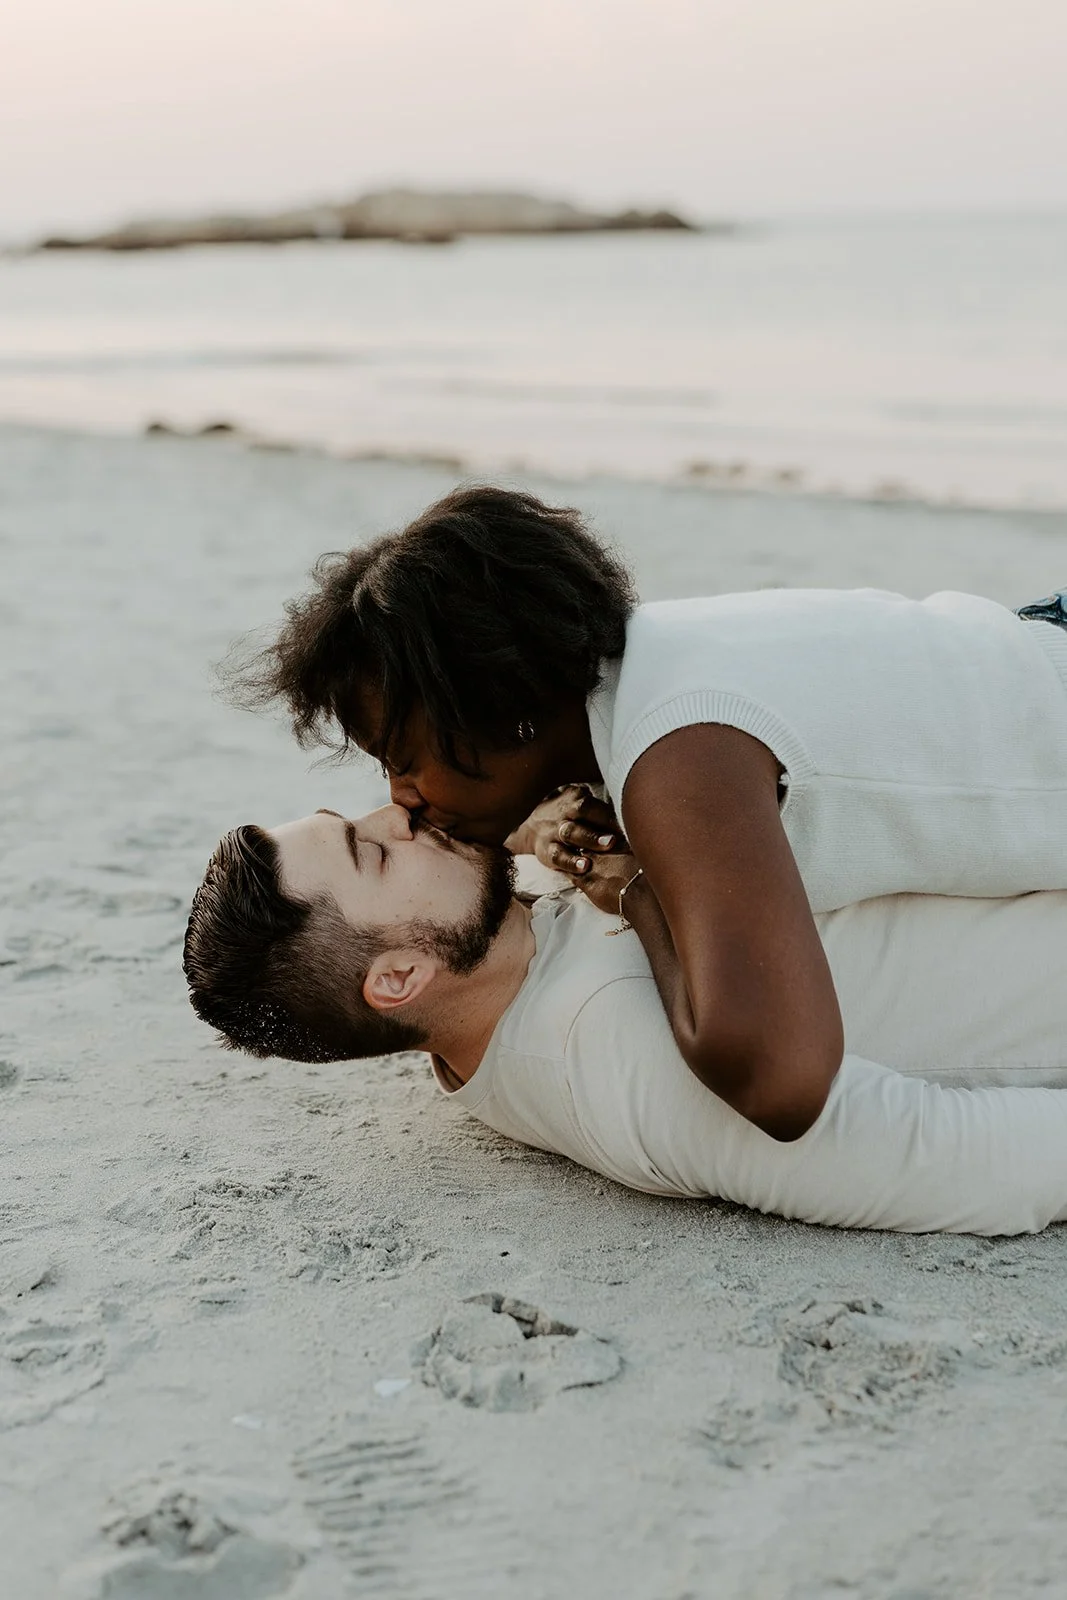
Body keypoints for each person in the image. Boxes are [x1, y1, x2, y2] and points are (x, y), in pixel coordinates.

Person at [229, 486, 1067, 1140]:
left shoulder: (680, 760)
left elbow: (782, 1083)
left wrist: (641, 899)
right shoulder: (644, 675)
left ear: (508, 713)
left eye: (403, 761)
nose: (398, 801)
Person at [184, 803, 1067, 1236]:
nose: (399, 814)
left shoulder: (498, 983)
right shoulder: (612, 1056)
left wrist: (530, 837)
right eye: (372, 850)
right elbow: (939, 1160)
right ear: (401, 975)